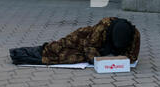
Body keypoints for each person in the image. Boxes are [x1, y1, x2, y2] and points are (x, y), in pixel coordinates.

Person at [9, 17, 140, 65]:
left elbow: (132, 56)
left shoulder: (135, 35)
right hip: (82, 38)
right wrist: (99, 62)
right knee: (57, 51)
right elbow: (90, 47)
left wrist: (120, 62)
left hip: (98, 47)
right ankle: (21, 53)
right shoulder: (104, 26)